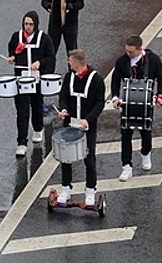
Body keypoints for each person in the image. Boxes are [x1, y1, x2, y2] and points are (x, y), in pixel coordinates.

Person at [111, 34, 162, 181]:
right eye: (127, 51)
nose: (128, 54)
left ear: (140, 49)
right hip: (128, 104)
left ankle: (145, 155)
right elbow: (115, 80)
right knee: (126, 135)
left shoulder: (153, 60)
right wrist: (115, 97)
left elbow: (161, 78)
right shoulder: (122, 61)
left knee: (146, 133)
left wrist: (160, 96)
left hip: (146, 103)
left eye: (131, 52)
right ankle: (126, 166)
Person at [56, 49, 105, 206]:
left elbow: (99, 103)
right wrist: (63, 109)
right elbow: (63, 96)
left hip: (87, 126)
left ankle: (90, 191)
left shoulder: (96, 79)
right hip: (70, 125)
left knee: (89, 159)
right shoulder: (69, 76)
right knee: (65, 158)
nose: (68, 62)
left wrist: (88, 120)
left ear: (77, 62)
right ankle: (66, 188)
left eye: (70, 60)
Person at [7, 10, 55, 156]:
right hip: (21, 79)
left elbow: (51, 57)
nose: (27, 27)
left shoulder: (44, 39)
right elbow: (11, 49)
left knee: (36, 106)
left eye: (30, 24)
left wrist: (40, 63)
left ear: (36, 24)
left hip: (36, 79)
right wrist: (12, 58)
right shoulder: (17, 36)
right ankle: (21, 142)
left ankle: (37, 129)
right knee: (22, 111)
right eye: (25, 24)